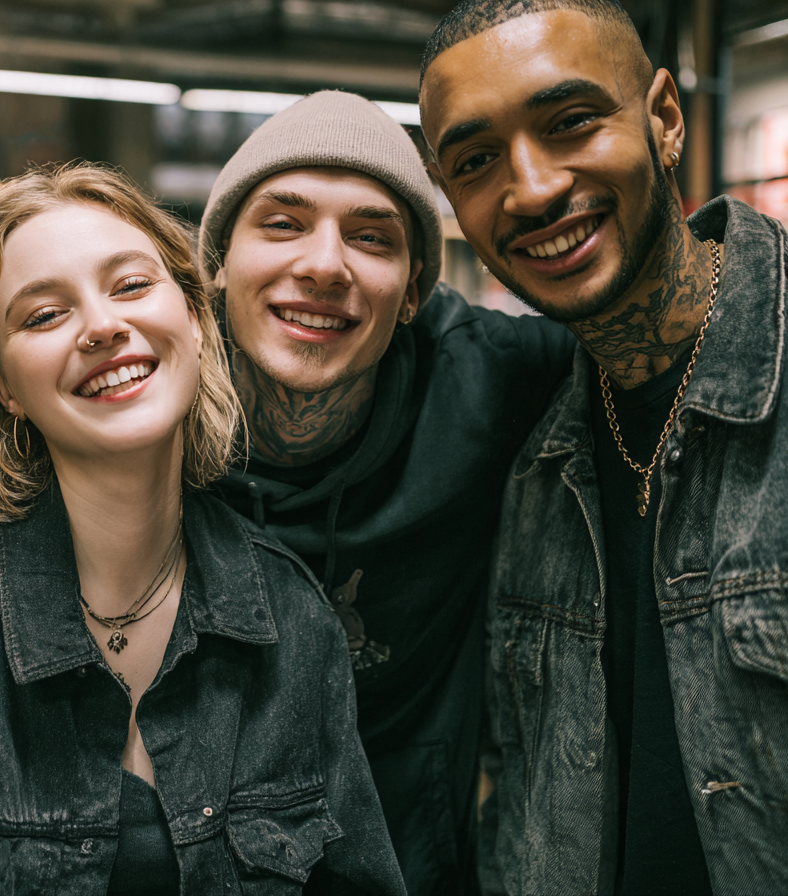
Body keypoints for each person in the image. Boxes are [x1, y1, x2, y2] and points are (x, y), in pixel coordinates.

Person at [0, 165, 404, 895]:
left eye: (131, 285)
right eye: (43, 316)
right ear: (3, 385)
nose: (102, 327)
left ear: (196, 321)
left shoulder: (294, 622)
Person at [419, 1, 788, 893]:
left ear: (665, 119)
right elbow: (519, 799)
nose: (531, 190)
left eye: (570, 121)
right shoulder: (534, 458)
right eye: (476, 161)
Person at [199, 90, 575, 893]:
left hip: (411, 868)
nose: (324, 265)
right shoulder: (141, 402)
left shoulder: (484, 379)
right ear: (218, 262)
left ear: (412, 293)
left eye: (371, 237)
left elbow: (676, 333)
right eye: (282, 223)